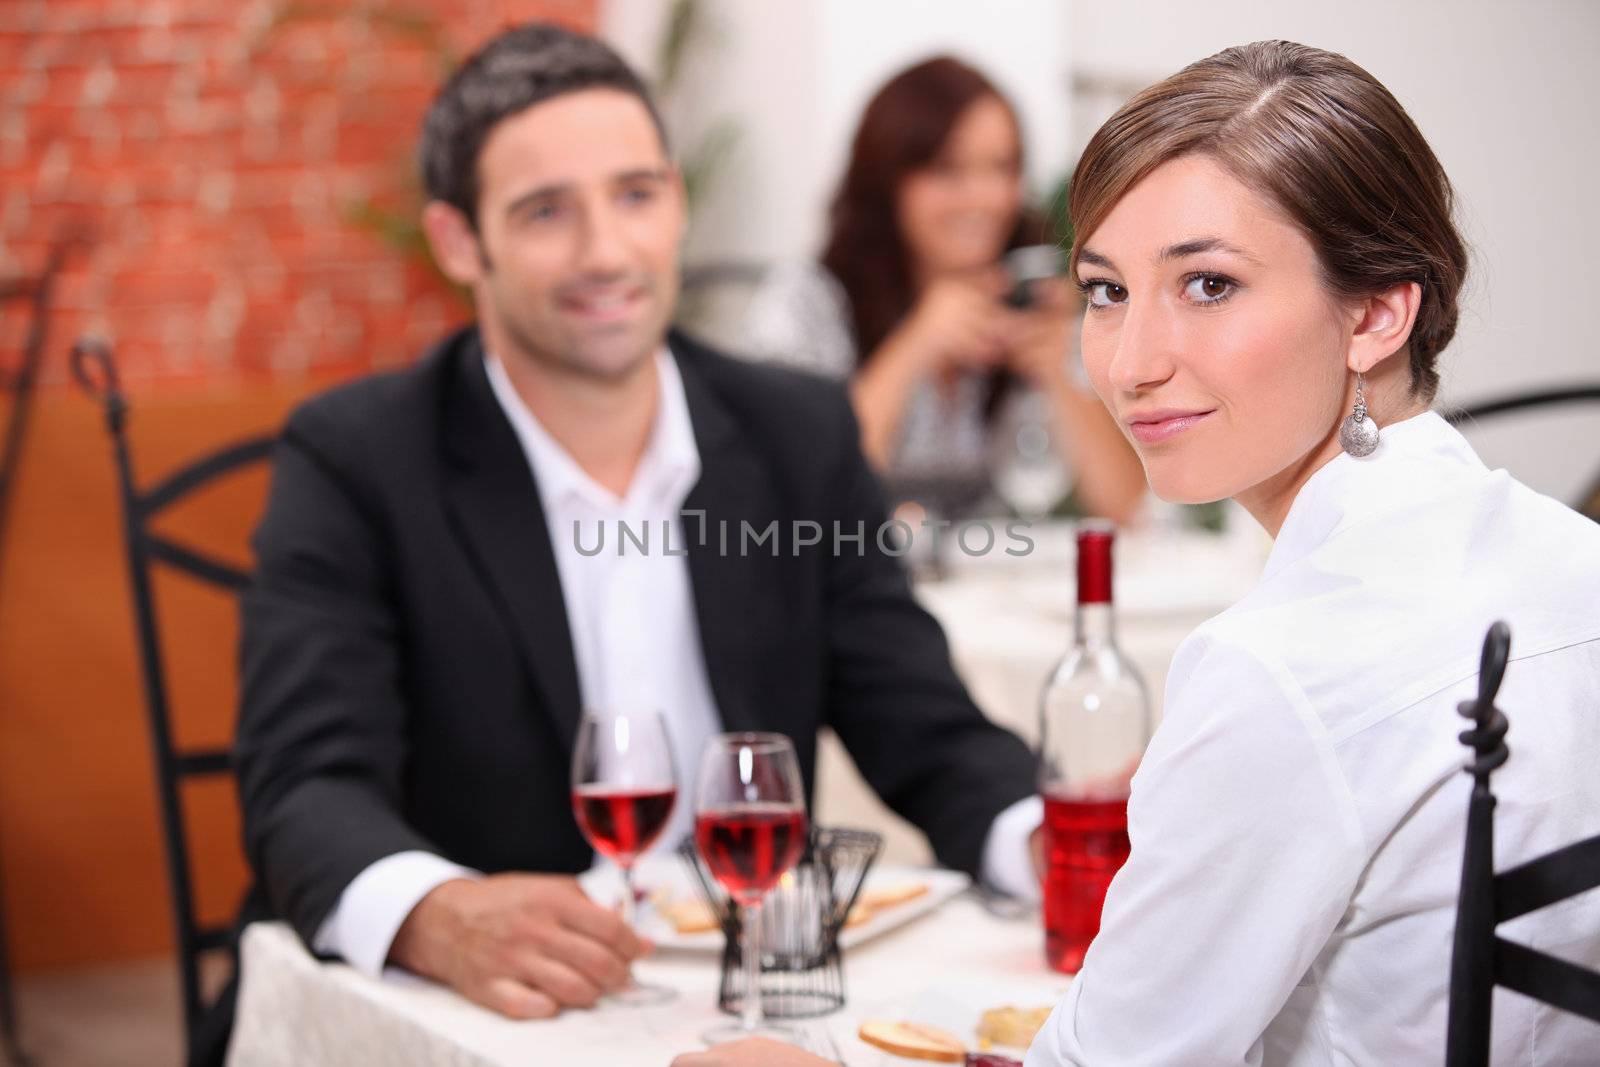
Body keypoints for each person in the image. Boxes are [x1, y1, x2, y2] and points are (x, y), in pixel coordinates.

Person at [675, 39, 1600, 1067]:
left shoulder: (1278, 666)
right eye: (1106, 290)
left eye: (1207, 284)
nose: (1129, 363)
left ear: (1377, 312)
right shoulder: (1573, 561)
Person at [198, 22, 1046, 1067]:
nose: (607, 250)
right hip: (487, 1013)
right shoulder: (358, 457)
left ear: (677, 205)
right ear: (462, 243)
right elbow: (305, 784)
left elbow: (926, 727)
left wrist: (1049, 841)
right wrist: (435, 910)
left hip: (744, 1003)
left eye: (636, 194)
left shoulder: (797, 432)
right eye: (547, 210)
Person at [739, 57, 1146, 524]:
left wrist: (1057, 371)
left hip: (985, 584)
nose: (985, 197)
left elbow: (1126, 507)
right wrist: (916, 344)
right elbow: (799, 488)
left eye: (1002, 168)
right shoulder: (810, 301)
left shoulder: (1026, 297)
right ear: (888, 179)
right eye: (949, 170)